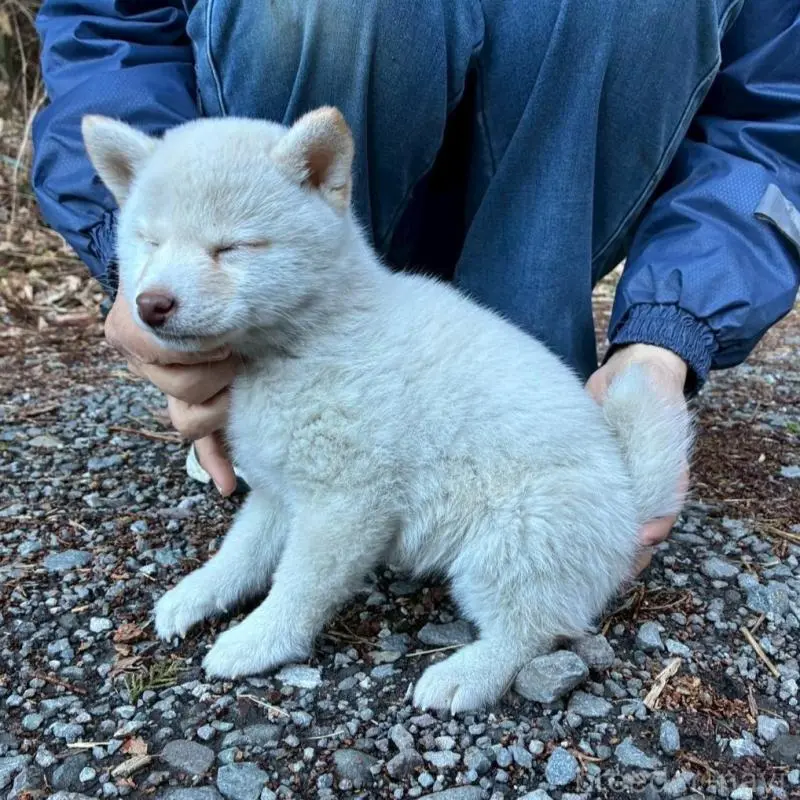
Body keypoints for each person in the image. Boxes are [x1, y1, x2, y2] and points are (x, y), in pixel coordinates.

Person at [30, 1, 800, 569]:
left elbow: (767, 116)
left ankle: (512, 415)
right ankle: (251, 381)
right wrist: (140, 247)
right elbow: (110, 26)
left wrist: (666, 338)